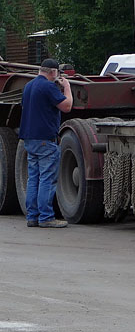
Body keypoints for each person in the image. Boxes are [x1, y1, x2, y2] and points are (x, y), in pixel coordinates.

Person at [19, 58, 73, 228]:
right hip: (45, 140)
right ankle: (46, 217)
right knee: (47, 179)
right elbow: (66, 106)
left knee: (33, 178)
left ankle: (32, 217)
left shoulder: (29, 86)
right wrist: (67, 88)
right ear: (53, 72)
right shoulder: (48, 86)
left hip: (30, 139)